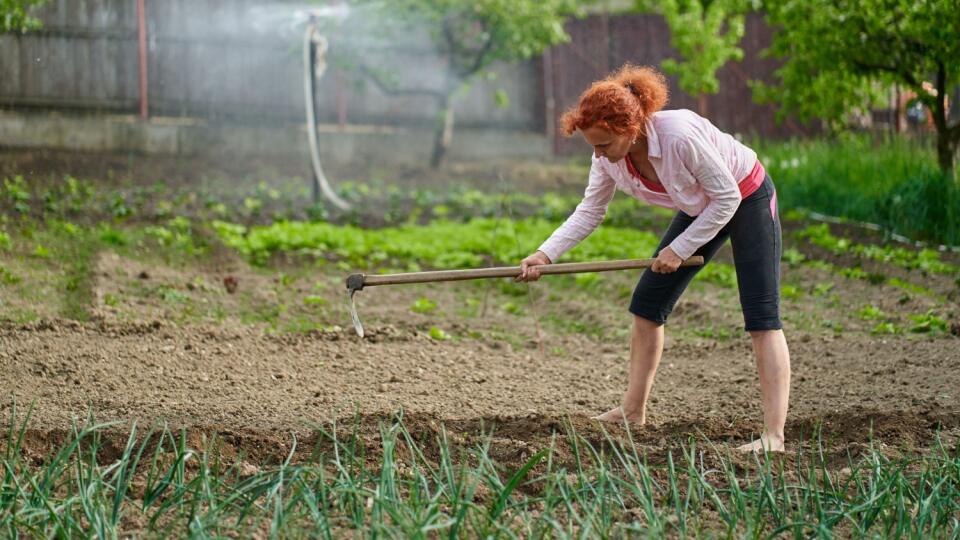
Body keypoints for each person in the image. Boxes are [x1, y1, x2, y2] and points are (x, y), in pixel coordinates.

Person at [517, 64, 791, 453]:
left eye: (604, 144)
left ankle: (773, 436)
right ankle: (632, 411)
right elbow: (590, 211)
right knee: (648, 305)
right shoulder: (607, 159)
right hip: (701, 205)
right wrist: (545, 253)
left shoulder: (677, 137)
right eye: (592, 146)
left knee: (761, 315)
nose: (598, 155)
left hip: (745, 196)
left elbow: (727, 198)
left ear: (630, 130)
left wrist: (679, 249)